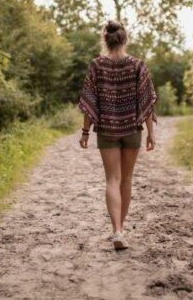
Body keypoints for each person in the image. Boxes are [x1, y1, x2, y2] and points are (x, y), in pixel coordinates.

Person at [77, 19, 158, 251]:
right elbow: (147, 103)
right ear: (125, 39)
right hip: (132, 131)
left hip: (107, 131)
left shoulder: (96, 66)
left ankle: (117, 231)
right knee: (126, 179)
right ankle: (121, 229)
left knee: (112, 179)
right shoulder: (137, 65)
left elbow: (89, 101)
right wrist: (151, 134)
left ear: (106, 39)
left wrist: (85, 132)